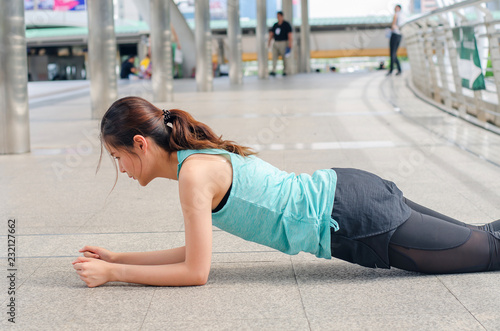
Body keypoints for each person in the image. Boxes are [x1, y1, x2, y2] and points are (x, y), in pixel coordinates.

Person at [72, 96, 500, 287]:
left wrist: (116, 274)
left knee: (489, 252)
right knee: (484, 238)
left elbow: (195, 274)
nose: (121, 169)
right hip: (348, 191)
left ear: (140, 145)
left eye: (117, 157)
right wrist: (117, 257)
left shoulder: (193, 176)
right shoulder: (194, 164)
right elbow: (190, 254)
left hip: (351, 220)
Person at [268, 11, 293, 77]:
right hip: (276, 42)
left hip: (284, 42)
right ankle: (273, 70)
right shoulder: (275, 25)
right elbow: (271, 34)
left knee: (285, 58)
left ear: (282, 16)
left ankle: (285, 71)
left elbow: (289, 35)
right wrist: (269, 42)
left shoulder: (286, 24)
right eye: (277, 16)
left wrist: (290, 43)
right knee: (274, 57)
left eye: (279, 16)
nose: (278, 17)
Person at [387, 5, 403, 76]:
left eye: (396, 8)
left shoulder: (396, 15)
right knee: (394, 53)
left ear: (399, 8)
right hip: (399, 35)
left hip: (395, 35)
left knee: (392, 53)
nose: (395, 9)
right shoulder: (403, 16)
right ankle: (398, 69)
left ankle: (391, 70)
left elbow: (393, 25)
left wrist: (392, 26)